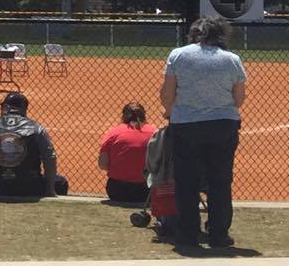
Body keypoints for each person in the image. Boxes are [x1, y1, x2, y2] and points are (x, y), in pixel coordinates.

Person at [161, 18, 247, 247]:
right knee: (220, 181)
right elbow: (239, 100)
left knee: (186, 181)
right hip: (223, 125)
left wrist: (170, 111)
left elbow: (168, 93)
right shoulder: (232, 59)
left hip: (186, 124)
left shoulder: (178, 55)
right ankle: (219, 234)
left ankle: (188, 234)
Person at [0, 90, 68, 199]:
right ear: (24, 109)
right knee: (62, 183)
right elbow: (50, 157)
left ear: (6, 107)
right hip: (30, 186)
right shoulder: (36, 128)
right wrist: (50, 189)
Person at [98, 101, 154, 205]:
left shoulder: (113, 132)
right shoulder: (155, 132)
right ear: (144, 115)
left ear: (123, 116)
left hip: (117, 191)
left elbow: (102, 164)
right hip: (146, 192)